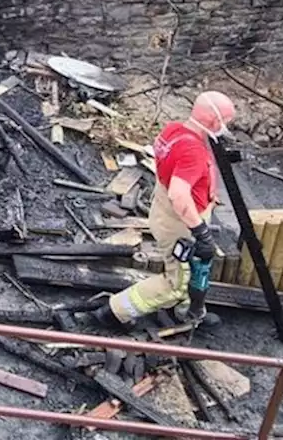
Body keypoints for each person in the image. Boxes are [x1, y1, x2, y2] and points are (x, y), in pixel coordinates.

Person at [84, 92, 236, 330]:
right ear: (214, 121)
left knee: (192, 270)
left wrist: (205, 192)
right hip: (179, 222)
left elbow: (173, 171)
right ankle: (114, 311)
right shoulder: (193, 150)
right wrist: (200, 231)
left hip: (164, 210)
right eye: (226, 121)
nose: (227, 128)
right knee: (176, 283)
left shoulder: (174, 130)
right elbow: (178, 194)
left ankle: (188, 312)